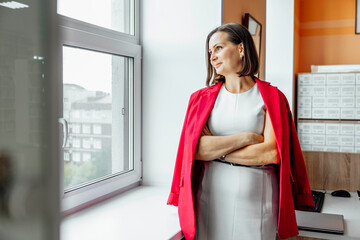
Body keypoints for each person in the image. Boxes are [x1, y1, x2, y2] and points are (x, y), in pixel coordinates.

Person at [167, 23, 314, 240]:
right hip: (210, 199)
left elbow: (270, 154)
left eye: (218, 48)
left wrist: (217, 149)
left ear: (241, 48)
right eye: (209, 52)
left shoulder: (272, 98)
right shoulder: (200, 100)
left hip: (258, 201)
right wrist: (246, 137)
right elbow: (195, 150)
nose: (212, 57)